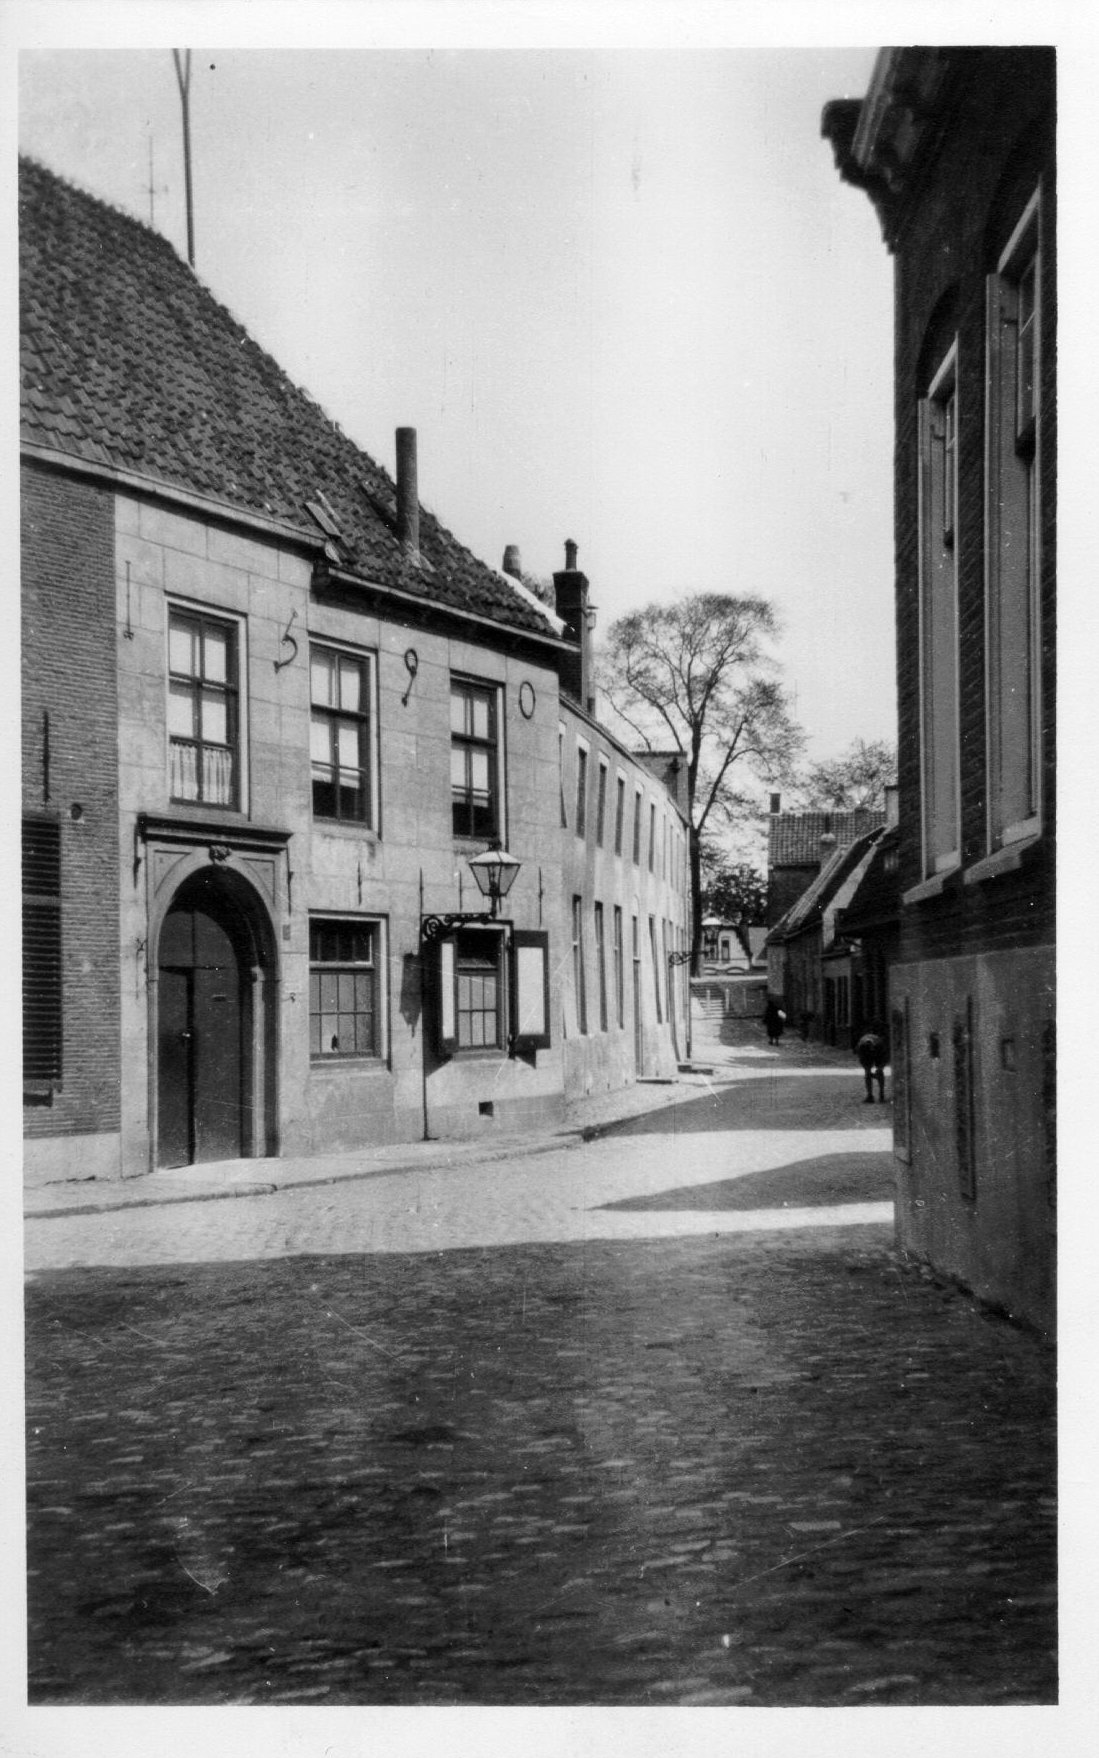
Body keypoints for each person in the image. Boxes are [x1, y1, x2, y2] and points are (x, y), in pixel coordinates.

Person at [855, 1022, 889, 1103]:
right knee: (867, 1073)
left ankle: (881, 1094)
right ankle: (870, 1095)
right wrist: (868, 1070)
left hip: (879, 1053)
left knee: (880, 1072)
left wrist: (880, 1068)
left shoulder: (880, 1045)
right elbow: (862, 1060)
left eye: (872, 1050)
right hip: (866, 1055)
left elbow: (885, 1057)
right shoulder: (861, 1048)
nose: (872, 1052)